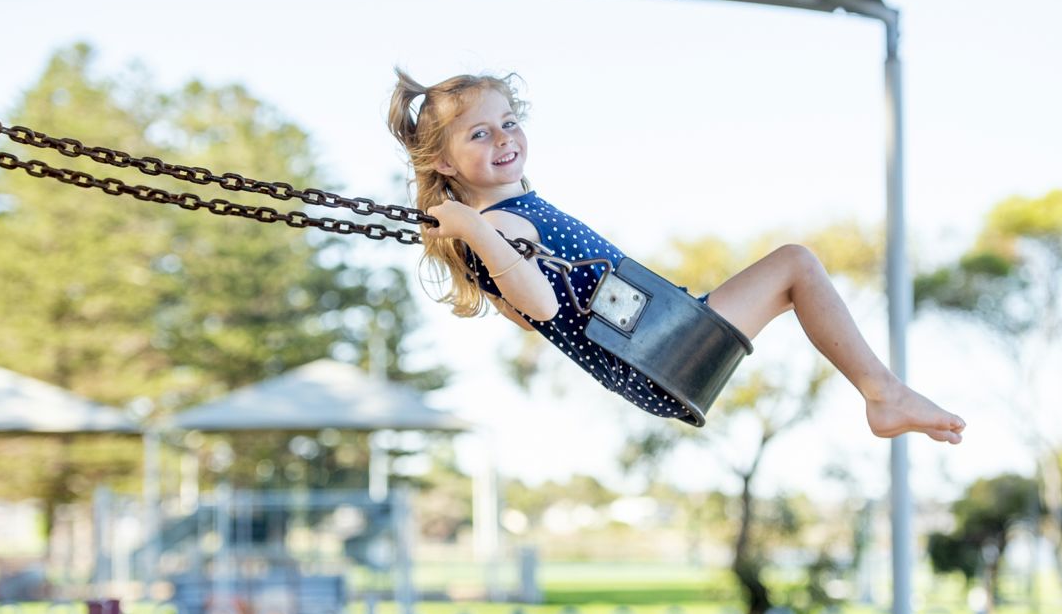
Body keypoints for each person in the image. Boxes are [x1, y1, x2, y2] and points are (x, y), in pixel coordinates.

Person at [387, 69, 965, 443]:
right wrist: (464, 225)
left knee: (796, 270)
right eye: (479, 134)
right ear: (442, 162)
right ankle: (882, 394)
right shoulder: (496, 226)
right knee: (796, 265)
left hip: (662, 335)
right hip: (656, 351)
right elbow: (537, 303)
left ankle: (883, 394)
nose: (503, 138)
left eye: (507, 123)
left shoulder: (518, 214)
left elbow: (530, 311)